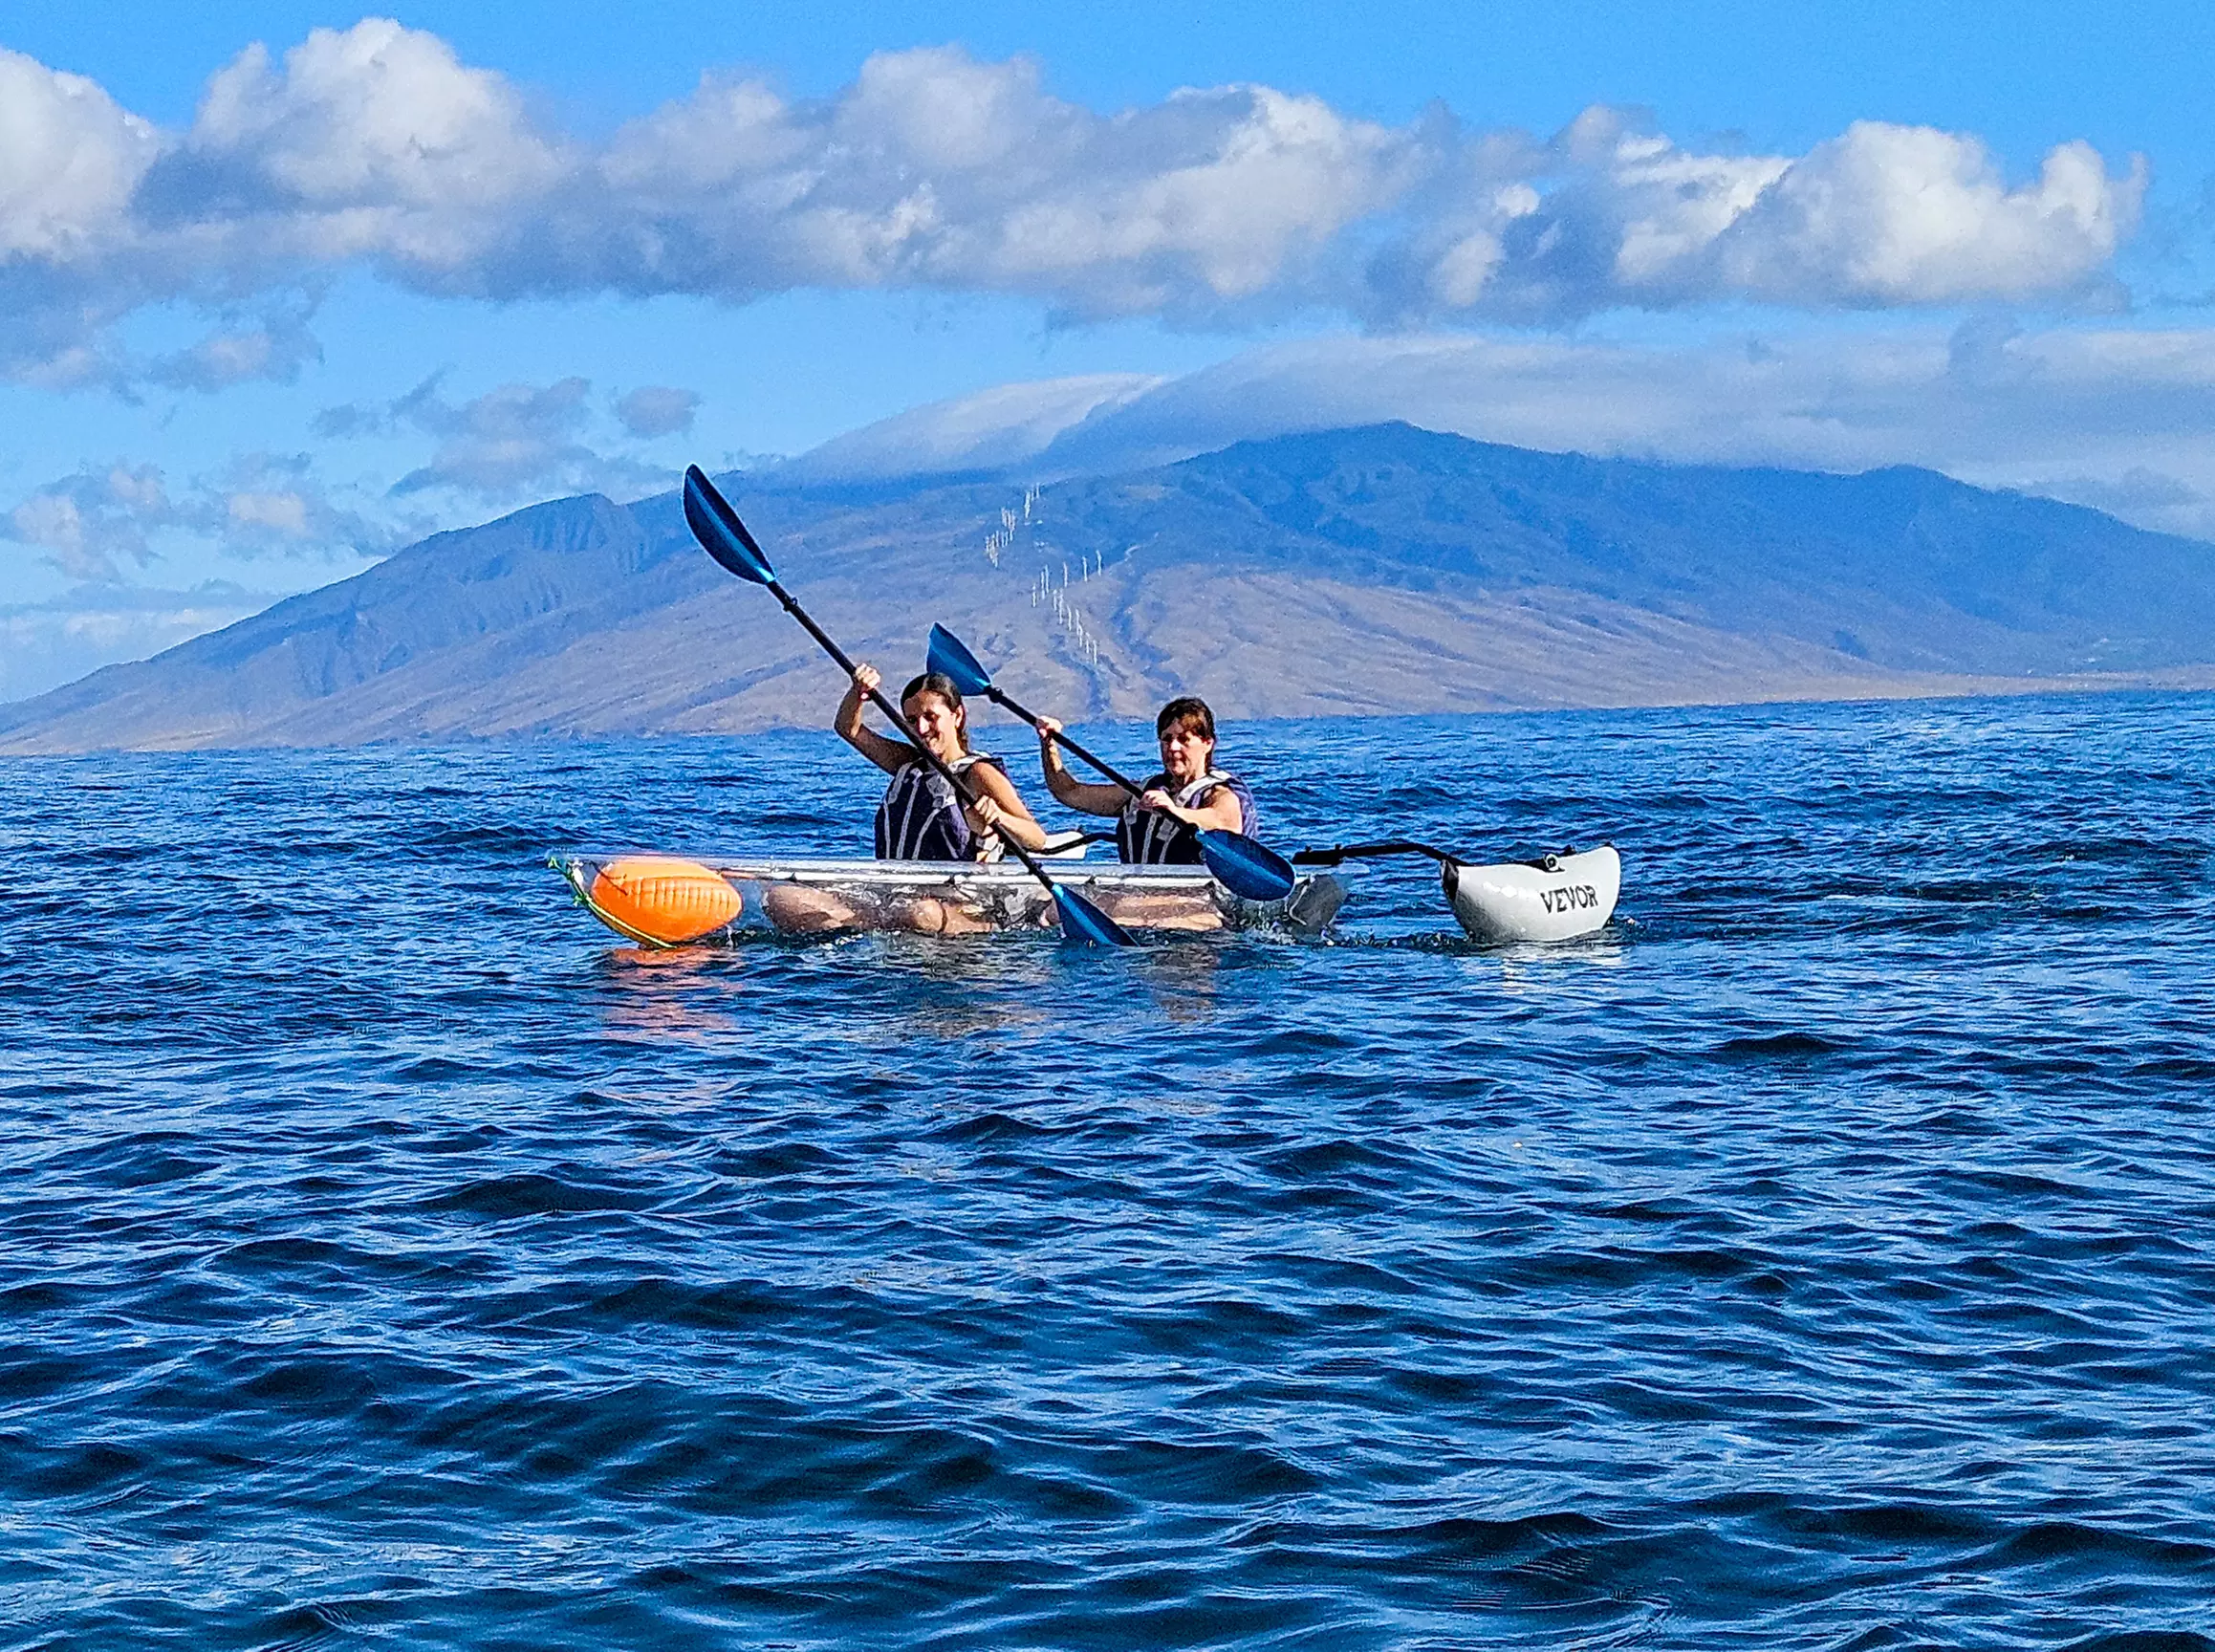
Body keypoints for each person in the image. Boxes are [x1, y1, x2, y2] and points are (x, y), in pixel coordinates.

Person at [762, 664, 1049, 934]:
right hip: (893, 899)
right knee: (780, 897)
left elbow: (1036, 838)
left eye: (930, 717)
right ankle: (866, 930)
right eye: (911, 721)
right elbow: (849, 729)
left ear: (957, 716)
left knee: (918, 914)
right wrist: (857, 693)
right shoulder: (907, 763)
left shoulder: (979, 774)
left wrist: (999, 817)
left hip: (958, 906)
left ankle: (875, 928)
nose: (921, 729)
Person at [1033, 696, 1257, 929]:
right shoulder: (1141, 792)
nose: (1173, 748)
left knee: (1125, 915)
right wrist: (1049, 744)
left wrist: (1174, 811)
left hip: (1202, 905)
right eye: (1166, 739)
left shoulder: (1220, 793)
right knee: (1054, 909)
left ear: (1207, 743)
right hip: (1138, 896)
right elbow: (1069, 792)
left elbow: (1222, 819)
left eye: (1183, 739)